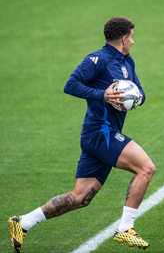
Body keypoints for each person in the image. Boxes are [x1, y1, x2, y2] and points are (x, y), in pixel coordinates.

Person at [8, 17, 155, 252]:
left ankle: (23, 222)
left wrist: (136, 98)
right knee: (146, 168)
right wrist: (102, 95)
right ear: (124, 38)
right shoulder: (97, 59)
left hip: (103, 134)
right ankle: (126, 229)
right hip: (100, 132)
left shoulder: (128, 62)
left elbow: (141, 91)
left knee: (80, 197)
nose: (134, 42)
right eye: (132, 37)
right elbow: (71, 84)